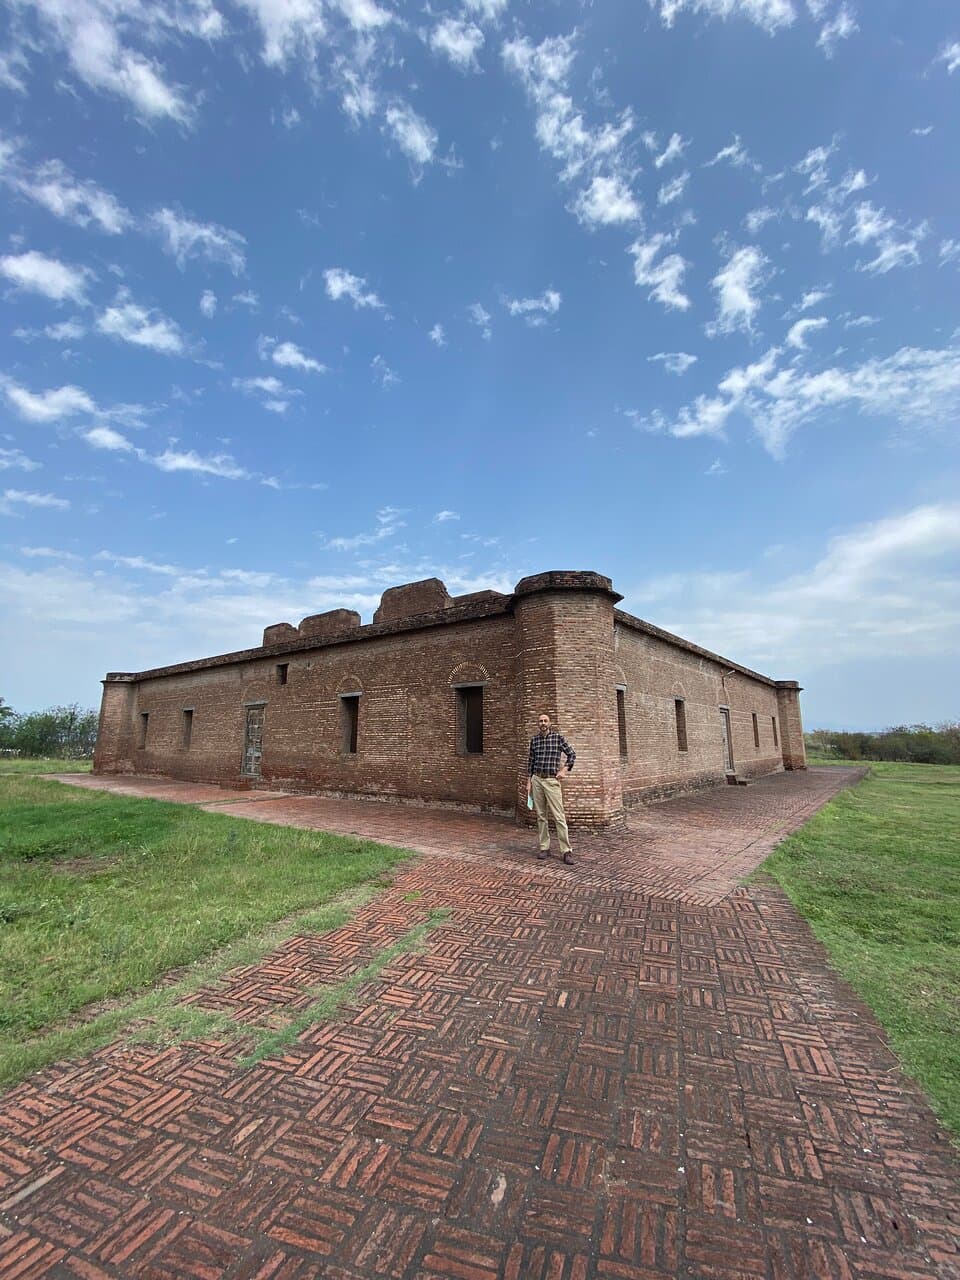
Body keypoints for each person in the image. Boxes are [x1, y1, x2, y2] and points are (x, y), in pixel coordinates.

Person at [526, 712, 576, 865]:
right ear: (538, 724)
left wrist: (564, 770)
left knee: (559, 816)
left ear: (550, 723)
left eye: (545, 720)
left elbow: (572, 754)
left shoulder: (558, 738)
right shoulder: (534, 740)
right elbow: (531, 762)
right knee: (541, 816)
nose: (543, 723)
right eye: (540, 721)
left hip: (551, 781)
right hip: (537, 780)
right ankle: (544, 847)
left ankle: (566, 850)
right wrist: (529, 782)